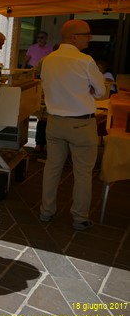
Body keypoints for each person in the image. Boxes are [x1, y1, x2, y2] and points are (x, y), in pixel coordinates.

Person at [39, 19, 106, 231]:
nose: (90, 37)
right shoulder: (85, 61)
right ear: (74, 37)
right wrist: (87, 90)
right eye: (87, 34)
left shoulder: (48, 60)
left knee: (52, 168)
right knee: (83, 173)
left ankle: (46, 212)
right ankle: (80, 218)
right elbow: (102, 91)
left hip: (55, 122)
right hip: (81, 124)